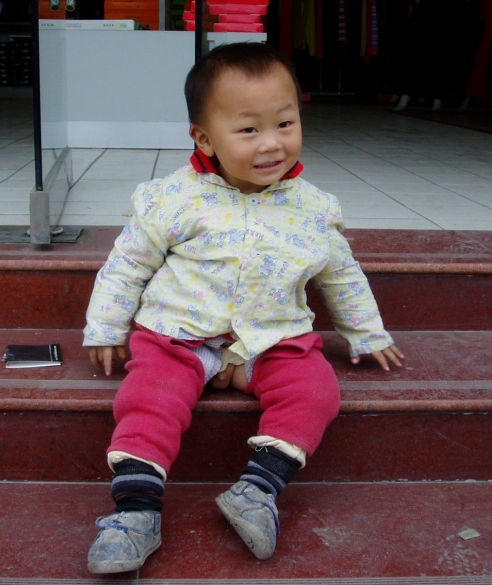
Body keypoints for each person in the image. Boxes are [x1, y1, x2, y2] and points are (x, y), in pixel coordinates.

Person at [83, 42, 405, 574]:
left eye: (285, 123)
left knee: (316, 390)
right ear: (204, 138)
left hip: (272, 339)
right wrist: (105, 326)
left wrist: (366, 332)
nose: (272, 143)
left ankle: (258, 490)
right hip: (179, 334)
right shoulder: (172, 199)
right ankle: (135, 512)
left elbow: (341, 275)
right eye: (249, 129)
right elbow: (127, 265)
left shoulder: (313, 208)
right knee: (148, 398)